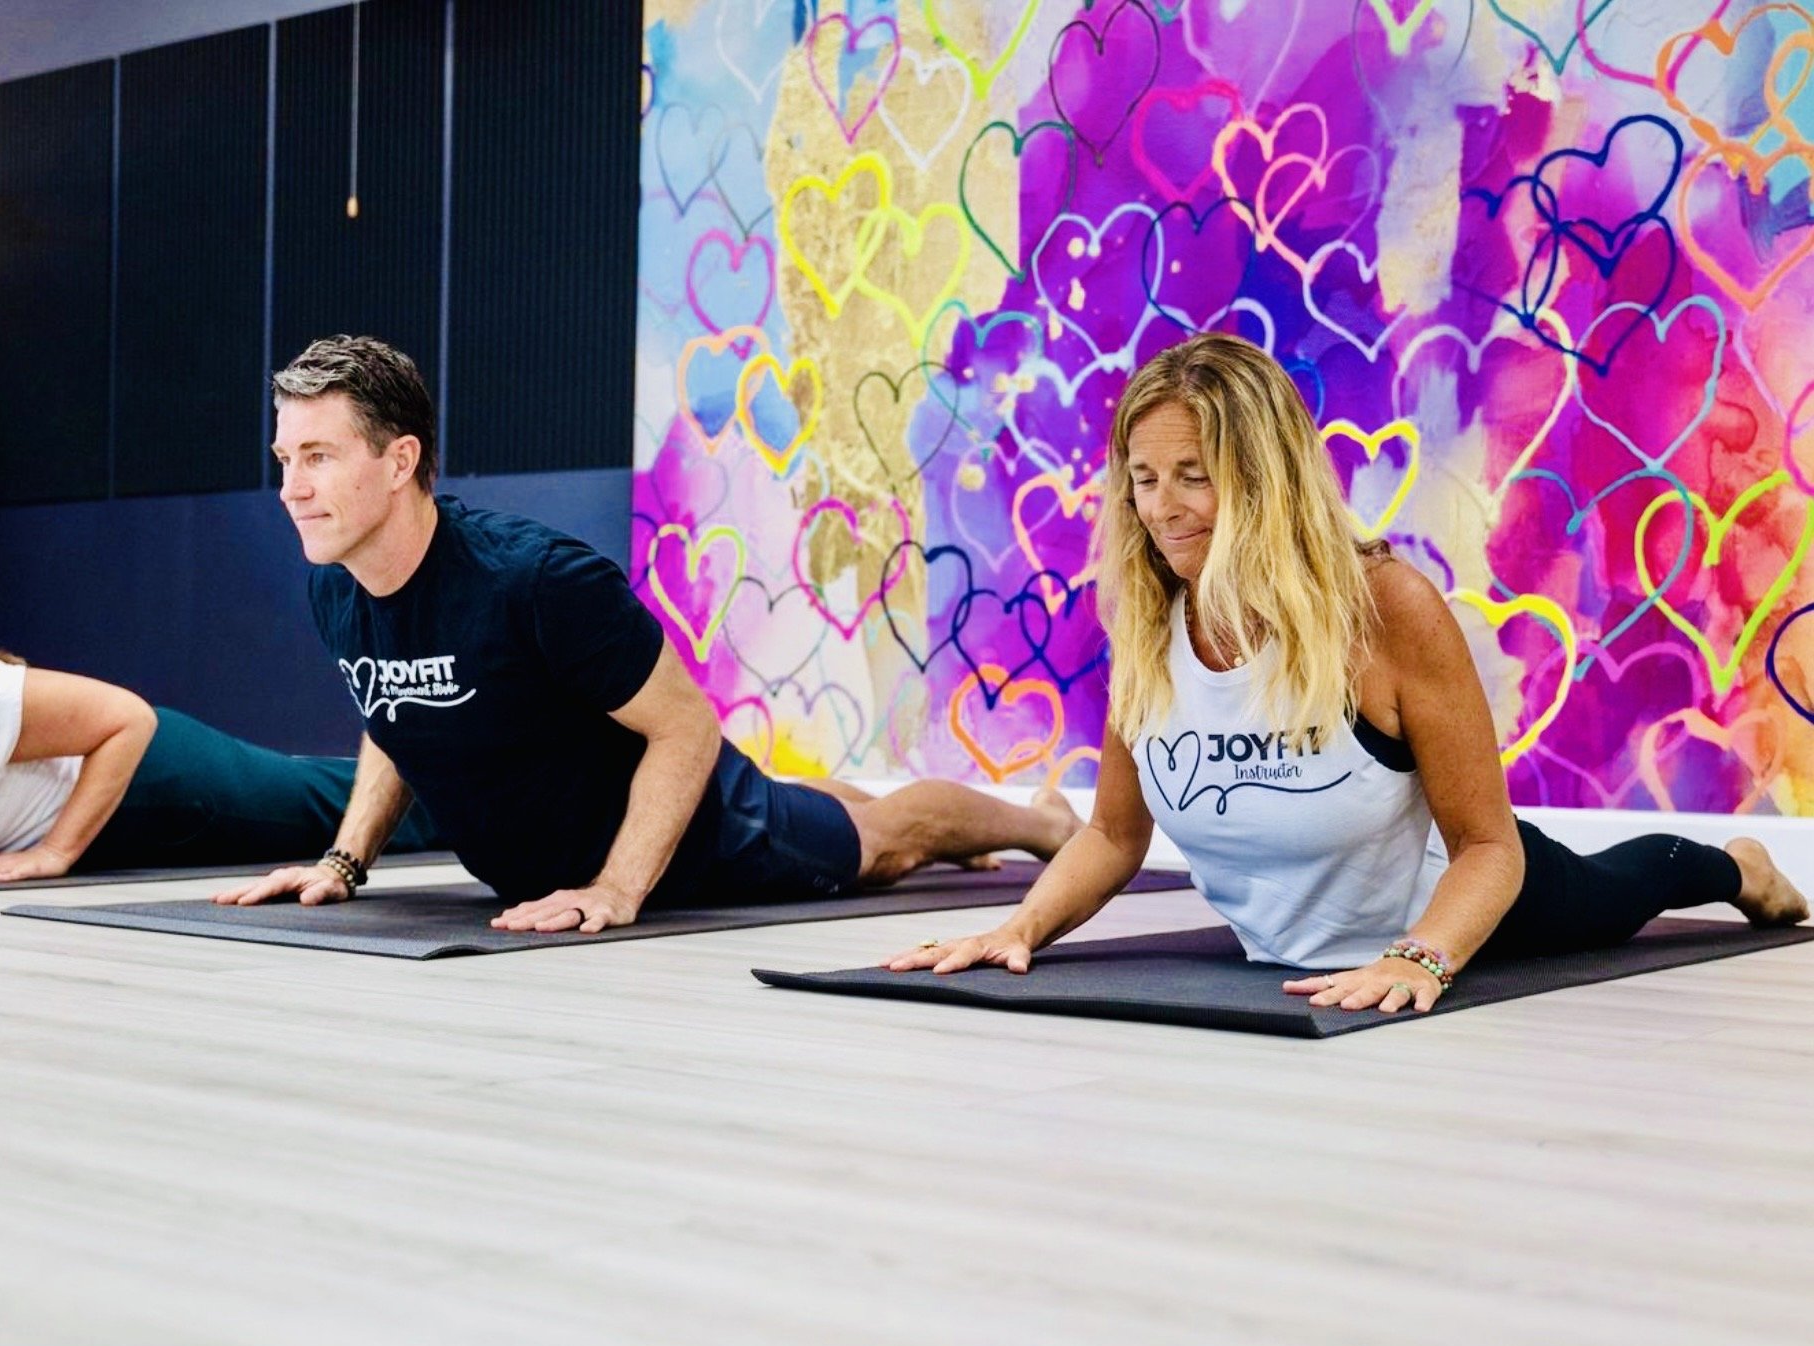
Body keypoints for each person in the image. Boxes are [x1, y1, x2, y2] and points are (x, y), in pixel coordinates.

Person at [885, 332, 1807, 1011]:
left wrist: (1424, 960)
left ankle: (1738, 866)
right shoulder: (1151, 620)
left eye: (1194, 475)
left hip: (1467, 908)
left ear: (1266, 478)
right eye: (1144, 476)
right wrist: (1018, 928)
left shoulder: (1385, 609)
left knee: (1622, 887)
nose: (1161, 508)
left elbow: (1490, 848)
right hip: (1290, 953)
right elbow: (1114, 836)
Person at [216, 335, 1081, 930]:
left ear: (399, 461)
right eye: (286, 459)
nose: (292, 486)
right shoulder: (339, 590)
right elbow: (398, 714)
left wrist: (618, 887)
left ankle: (1040, 824)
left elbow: (686, 725)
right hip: (566, 851)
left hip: (693, 840)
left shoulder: (536, 578)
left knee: (888, 845)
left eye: (319, 457)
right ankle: (824, 798)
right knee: (810, 803)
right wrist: (344, 862)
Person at [0, 535, 436, 879]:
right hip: (121, 815)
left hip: (157, 785)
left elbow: (127, 717)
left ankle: (481, 776)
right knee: (326, 784)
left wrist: (55, 852)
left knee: (354, 804)